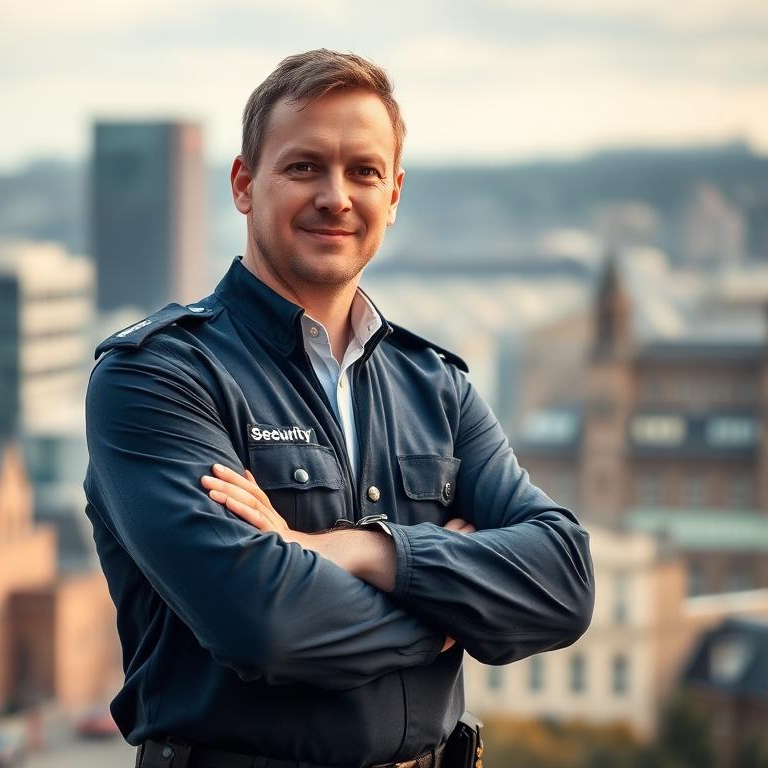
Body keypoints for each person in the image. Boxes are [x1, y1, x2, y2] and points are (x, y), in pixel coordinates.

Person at [84, 49, 595, 768]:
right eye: (304, 167)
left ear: (394, 193)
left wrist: (358, 550)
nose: (336, 196)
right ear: (243, 184)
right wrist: (451, 618)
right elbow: (264, 624)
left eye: (364, 172)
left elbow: (564, 583)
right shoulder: (160, 376)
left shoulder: (436, 386)